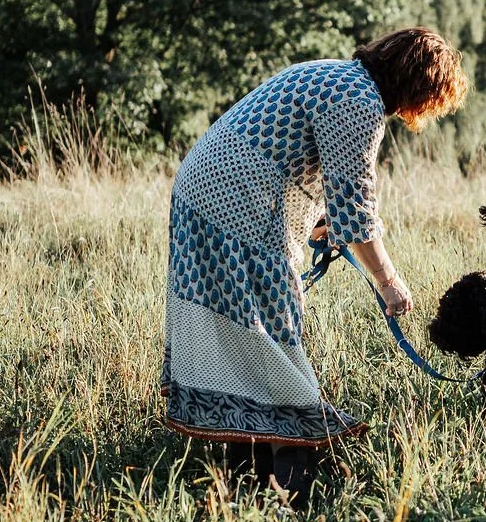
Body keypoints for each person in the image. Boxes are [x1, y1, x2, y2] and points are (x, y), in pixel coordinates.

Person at [161, 27, 467, 493]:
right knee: (273, 328)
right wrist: (389, 280)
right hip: (239, 205)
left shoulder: (328, 73)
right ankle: (293, 481)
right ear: (418, 86)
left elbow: (295, 161)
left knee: (243, 327)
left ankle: (246, 480)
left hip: (200, 191)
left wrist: (318, 216)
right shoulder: (359, 103)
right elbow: (356, 209)